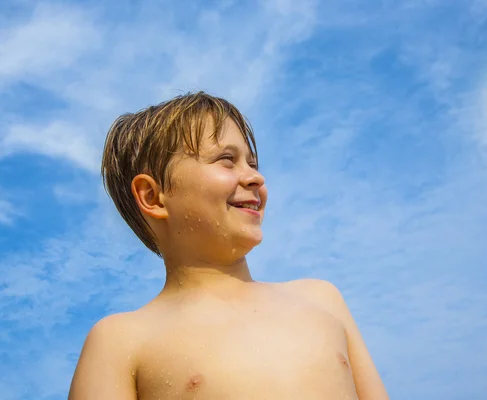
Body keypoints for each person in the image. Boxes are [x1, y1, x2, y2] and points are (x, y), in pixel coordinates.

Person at [68, 92, 389, 399]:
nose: (254, 178)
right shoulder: (120, 340)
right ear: (152, 197)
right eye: (226, 160)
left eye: (253, 164)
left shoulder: (321, 299)